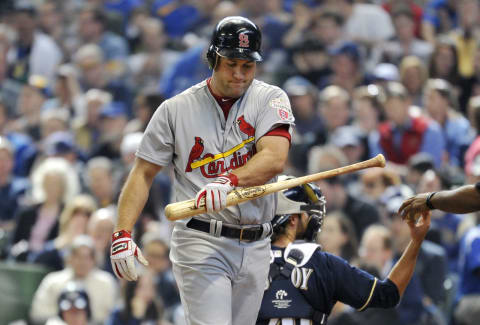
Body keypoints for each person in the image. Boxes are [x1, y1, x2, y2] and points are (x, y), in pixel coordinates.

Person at [110, 16, 294, 325]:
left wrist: (228, 180)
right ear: (213, 58)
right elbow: (143, 172)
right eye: (230, 63)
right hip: (202, 238)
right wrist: (122, 233)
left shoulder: (270, 98)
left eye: (247, 66)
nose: (238, 74)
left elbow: (274, 159)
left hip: (258, 241)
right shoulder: (175, 109)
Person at [256, 177, 432, 324]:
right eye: (308, 214)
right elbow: (389, 294)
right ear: (293, 220)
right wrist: (416, 241)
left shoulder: (246, 260)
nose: (314, 219)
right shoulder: (325, 264)